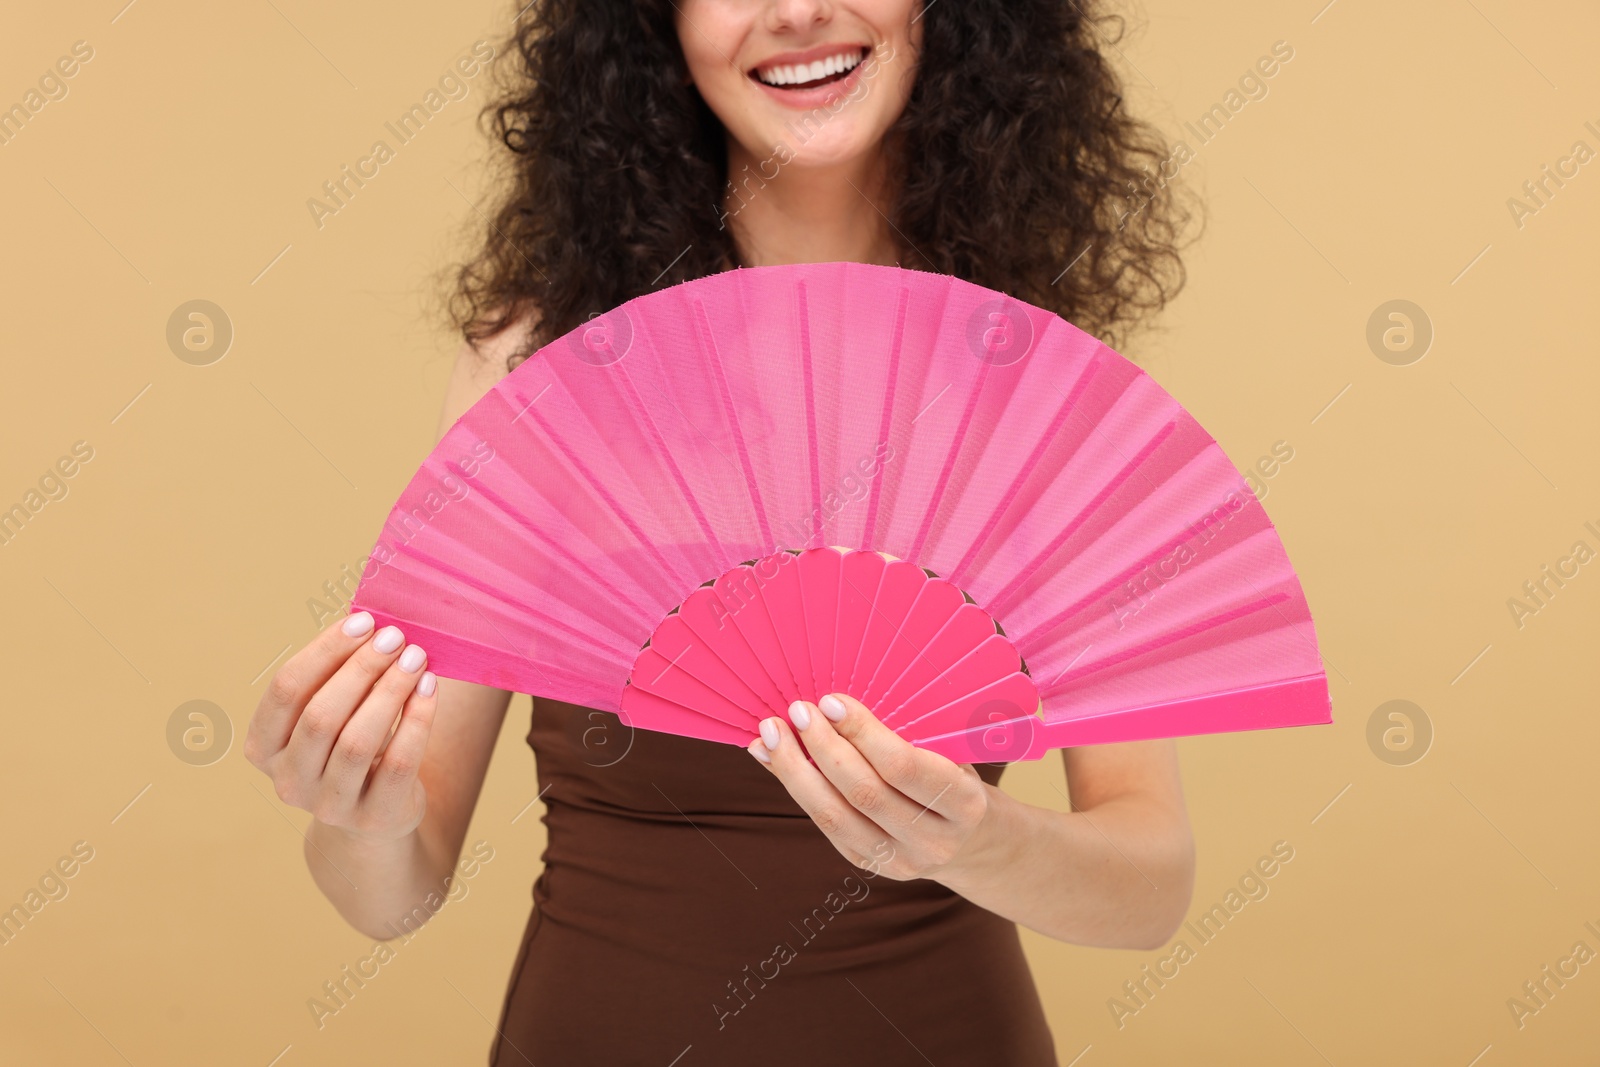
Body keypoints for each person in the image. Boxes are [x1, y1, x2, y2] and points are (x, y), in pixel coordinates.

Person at [247, 1, 1198, 1063]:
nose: (796, 11)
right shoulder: (540, 363)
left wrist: (980, 840)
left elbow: (1148, 883)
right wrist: (356, 811)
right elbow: (392, 896)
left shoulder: (1031, 378)